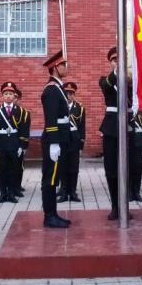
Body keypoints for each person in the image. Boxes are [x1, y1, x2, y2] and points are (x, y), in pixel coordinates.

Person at [41, 51, 73, 228]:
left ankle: (53, 214)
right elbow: (51, 118)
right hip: (55, 139)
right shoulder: (51, 90)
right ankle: (49, 216)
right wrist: (54, 143)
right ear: (55, 68)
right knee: (50, 178)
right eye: (63, 65)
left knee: (55, 177)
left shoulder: (58, 88)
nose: (66, 68)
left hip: (61, 137)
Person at [99, 46, 124, 220]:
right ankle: (115, 205)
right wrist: (117, 71)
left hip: (127, 125)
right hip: (111, 126)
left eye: (120, 59)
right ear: (110, 62)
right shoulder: (105, 80)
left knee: (128, 168)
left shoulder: (130, 80)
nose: (117, 62)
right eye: (114, 60)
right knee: (111, 169)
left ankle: (125, 205)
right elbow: (107, 85)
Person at [0, 82, 24, 203]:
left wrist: (21, 146)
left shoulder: (19, 110)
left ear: (14, 95)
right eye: (6, 94)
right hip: (2, 144)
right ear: (2, 96)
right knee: (2, 170)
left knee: (13, 169)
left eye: (10, 93)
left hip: (14, 143)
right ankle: (3, 194)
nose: (8, 96)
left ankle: (11, 193)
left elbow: (22, 129)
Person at [59, 81, 85, 203]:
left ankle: (73, 192)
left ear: (74, 95)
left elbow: (82, 128)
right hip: (62, 140)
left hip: (74, 140)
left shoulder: (80, 108)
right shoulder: (59, 107)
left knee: (74, 168)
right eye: (67, 93)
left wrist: (81, 146)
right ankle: (64, 192)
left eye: (71, 93)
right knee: (63, 166)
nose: (69, 96)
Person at [11, 85, 30, 198]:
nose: (14, 100)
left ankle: (17, 186)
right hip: (8, 143)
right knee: (9, 167)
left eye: (16, 98)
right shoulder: (5, 111)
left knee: (19, 166)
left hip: (19, 143)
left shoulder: (24, 113)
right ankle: (9, 186)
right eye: (13, 97)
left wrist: (24, 146)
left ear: (19, 99)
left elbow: (25, 130)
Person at [128, 106, 142, 202]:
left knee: (139, 167)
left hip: (140, 140)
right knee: (129, 166)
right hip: (129, 140)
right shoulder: (126, 109)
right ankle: (128, 192)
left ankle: (136, 192)